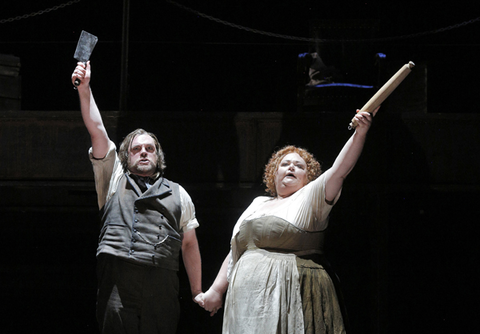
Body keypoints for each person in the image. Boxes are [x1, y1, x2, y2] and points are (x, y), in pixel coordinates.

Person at [198, 107, 378, 334]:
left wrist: (359, 133)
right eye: (285, 164)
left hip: (289, 292)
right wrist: (216, 290)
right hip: (246, 301)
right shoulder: (258, 203)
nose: (291, 167)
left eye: (299, 166)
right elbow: (236, 250)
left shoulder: (311, 198)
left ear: (309, 177)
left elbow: (340, 170)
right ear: (274, 174)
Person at [71, 61, 203, 334]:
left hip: (162, 288)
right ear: (125, 156)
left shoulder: (179, 193)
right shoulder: (113, 177)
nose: (144, 152)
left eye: (150, 148)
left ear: (158, 156)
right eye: (137, 149)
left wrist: (197, 291)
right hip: (118, 283)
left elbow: (189, 244)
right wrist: (85, 89)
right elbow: (97, 129)